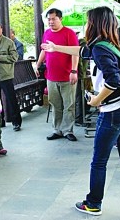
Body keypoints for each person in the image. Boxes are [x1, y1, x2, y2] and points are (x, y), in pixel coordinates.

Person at [41, 6, 120, 219]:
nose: (87, 25)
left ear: (95, 23)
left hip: (113, 112)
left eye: (89, 21)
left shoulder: (100, 47)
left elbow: (113, 80)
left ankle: (93, 203)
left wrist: (96, 100)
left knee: (99, 160)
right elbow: (81, 51)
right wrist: (55, 48)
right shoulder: (111, 45)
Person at [36, 8, 79, 141]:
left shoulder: (69, 33)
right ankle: (57, 129)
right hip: (51, 76)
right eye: (49, 19)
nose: (51, 21)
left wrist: (74, 70)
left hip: (67, 75)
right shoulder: (47, 33)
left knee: (69, 104)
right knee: (55, 103)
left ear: (60, 19)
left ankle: (67, 130)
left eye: (53, 19)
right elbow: (44, 50)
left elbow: (75, 52)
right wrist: (37, 64)